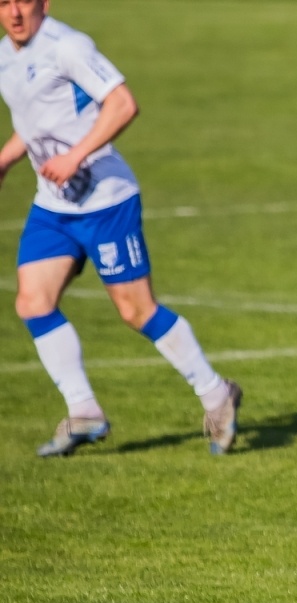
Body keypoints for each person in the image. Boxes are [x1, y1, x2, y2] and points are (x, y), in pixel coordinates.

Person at [0, 0, 241, 457]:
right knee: (32, 301)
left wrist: (74, 156)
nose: (15, 12)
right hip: (53, 206)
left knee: (136, 312)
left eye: (24, 1)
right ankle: (84, 410)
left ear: (44, 4)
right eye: (5, 2)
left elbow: (122, 103)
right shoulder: (5, 58)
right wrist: (7, 159)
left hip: (106, 201)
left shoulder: (68, 46)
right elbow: (35, 123)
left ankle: (216, 395)